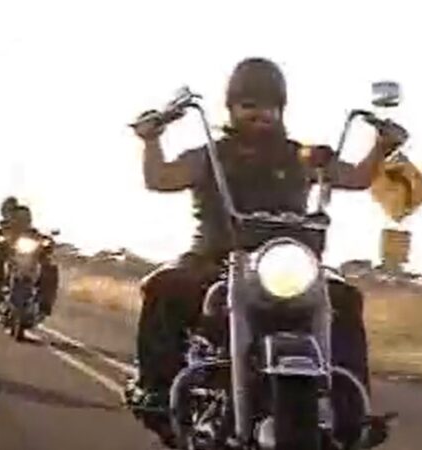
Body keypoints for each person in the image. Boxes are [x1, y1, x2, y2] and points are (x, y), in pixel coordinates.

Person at [127, 57, 405, 447]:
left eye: (269, 106)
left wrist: (382, 146)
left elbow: (357, 178)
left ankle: (351, 412)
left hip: (289, 261)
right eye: (249, 105)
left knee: (344, 298)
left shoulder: (301, 156)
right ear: (232, 109)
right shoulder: (211, 154)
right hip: (217, 257)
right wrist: (151, 140)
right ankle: (155, 388)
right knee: (164, 286)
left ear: (281, 110)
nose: (260, 114)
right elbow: (159, 179)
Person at [0, 199, 58, 317]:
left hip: (29, 259)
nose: (21, 219)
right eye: (18, 216)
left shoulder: (32, 232)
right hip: (9, 258)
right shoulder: (3, 229)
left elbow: (45, 243)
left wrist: (47, 243)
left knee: (50, 269)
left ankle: (45, 305)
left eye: (25, 217)